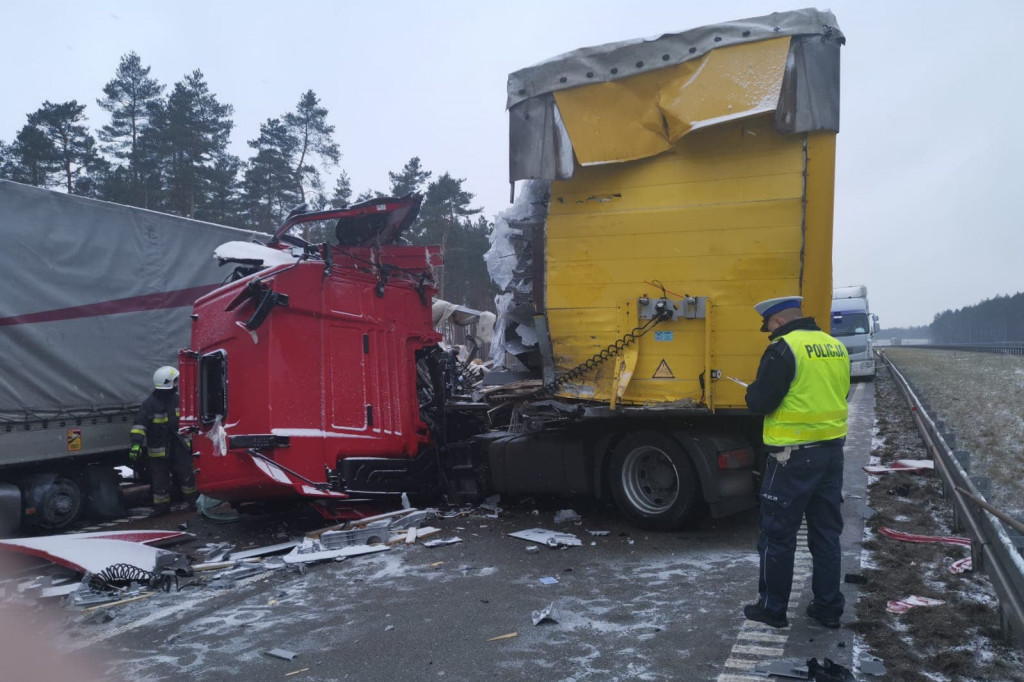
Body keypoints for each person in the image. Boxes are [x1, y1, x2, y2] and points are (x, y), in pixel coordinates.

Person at [742, 296, 850, 629]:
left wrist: (751, 392)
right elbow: (837, 394)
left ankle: (773, 609)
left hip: (792, 456)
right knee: (826, 534)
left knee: (777, 535)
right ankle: (828, 607)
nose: (769, 335)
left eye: (769, 329)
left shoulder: (784, 349)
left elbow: (761, 402)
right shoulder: (835, 347)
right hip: (831, 452)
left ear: (776, 322)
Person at [129, 366, 197, 517]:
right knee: (160, 480)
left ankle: (194, 501)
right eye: (175, 381)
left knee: (187, 475)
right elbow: (139, 425)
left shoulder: (179, 400)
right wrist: (136, 444)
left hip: (179, 447)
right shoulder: (149, 404)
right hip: (159, 450)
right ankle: (162, 508)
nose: (178, 383)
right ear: (168, 383)